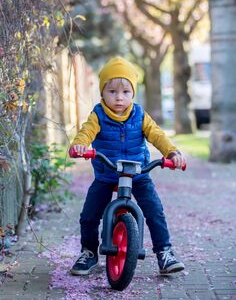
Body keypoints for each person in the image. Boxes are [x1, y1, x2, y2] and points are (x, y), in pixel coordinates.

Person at [69, 56, 186, 276]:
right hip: (107, 173)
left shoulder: (140, 115)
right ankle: (89, 253)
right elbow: (86, 133)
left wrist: (172, 153)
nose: (119, 98)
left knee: (155, 212)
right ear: (102, 93)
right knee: (89, 215)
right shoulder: (98, 115)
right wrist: (79, 145)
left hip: (138, 174)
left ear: (133, 93)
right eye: (112, 92)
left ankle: (165, 253)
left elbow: (157, 135)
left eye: (125, 92)